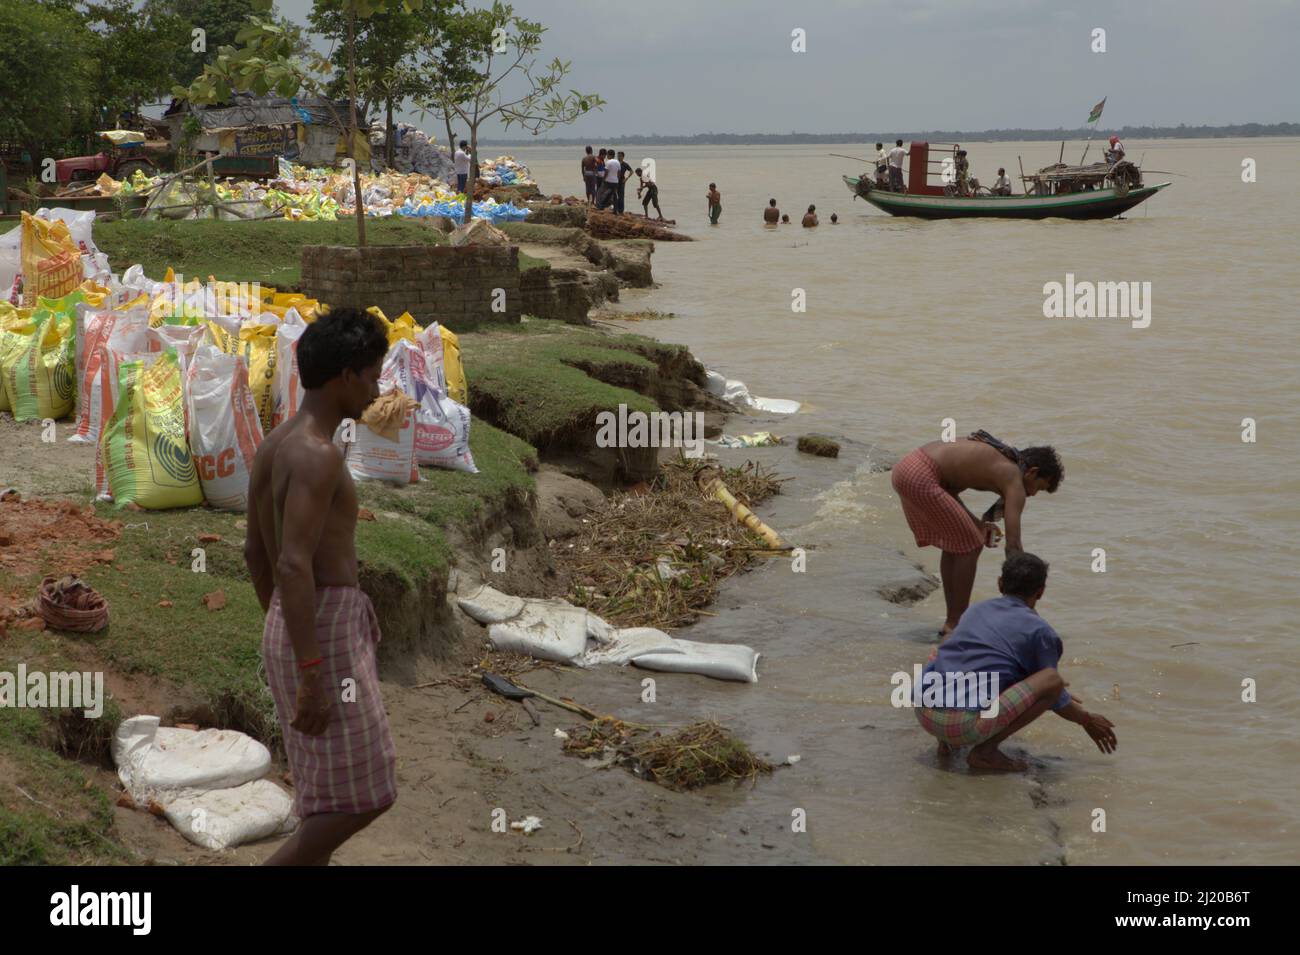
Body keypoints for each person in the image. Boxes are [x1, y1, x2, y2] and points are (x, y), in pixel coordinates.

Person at [245, 308, 397, 865]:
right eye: (373, 375)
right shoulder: (319, 454)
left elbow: (254, 555)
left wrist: (282, 629)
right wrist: (310, 668)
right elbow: (291, 563)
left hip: (298, 627)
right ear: (345, 376)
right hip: (323, 637)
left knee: (325, 791)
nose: (377, 390)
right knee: (362, 797)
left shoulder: (276, 442)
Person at [914, 553, 1117, 772]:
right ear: (1040, 592)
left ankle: (945, 745)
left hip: (924, 713)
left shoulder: (975, 610)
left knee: (949, 648)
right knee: (1051, 680)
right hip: (961, 727)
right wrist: (1086, 720)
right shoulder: (1041, 632)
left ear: (1000, 584)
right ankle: (985, 752)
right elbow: (1053, 692)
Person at [891, 429, 1063, 637]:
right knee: (971, 544)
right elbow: (1014, 546)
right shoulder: (1014, 478)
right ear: (1032, 472)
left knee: (957, 543)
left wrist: (978, 526)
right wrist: (1026, 601)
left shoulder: (1002, 457)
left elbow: (949, 490)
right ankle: (955, 624)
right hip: (921, 476)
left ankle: (952, 621)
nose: (1033, 494)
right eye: (1039, 487)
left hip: (908, 467)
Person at [615, 150, 631, 215]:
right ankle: (616, 209)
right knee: (615, 195)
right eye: (618, 156)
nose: (618, 157)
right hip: (615, 181)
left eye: (620, 156)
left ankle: (621, 210)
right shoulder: (615, 163)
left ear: (623, 157)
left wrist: (626, 178)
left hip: (622, 181)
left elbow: (631, 171)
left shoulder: (625, 164)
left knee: (621, 196)